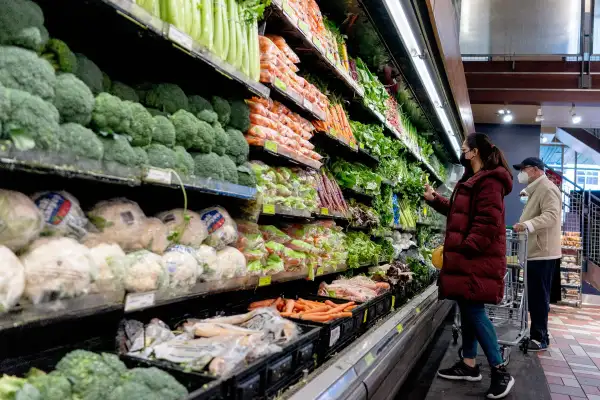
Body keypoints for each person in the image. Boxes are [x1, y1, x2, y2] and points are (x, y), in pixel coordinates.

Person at [424, 133, 514, 399]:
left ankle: (500, 371)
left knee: (474, 311)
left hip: (476, 259)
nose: (462, 151)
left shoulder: (490, 182)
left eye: (464, 148)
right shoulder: (473, 179)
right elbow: (459, 213)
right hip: (470, 258)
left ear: (474, 152)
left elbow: (487, 223)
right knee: (467, 306)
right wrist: (434, 200)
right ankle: (469, 364)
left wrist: (463, 248)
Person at [513, 157, 561, 351]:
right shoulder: (537, 189)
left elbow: (551, 215)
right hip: (536, 251)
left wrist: (527, 224)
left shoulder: (548, 188)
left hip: (543, 252)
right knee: (535, 296)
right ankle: (540, 335)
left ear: (534, 170)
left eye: (523, 169)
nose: (521, 174)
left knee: (539, 297)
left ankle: (539, 337)